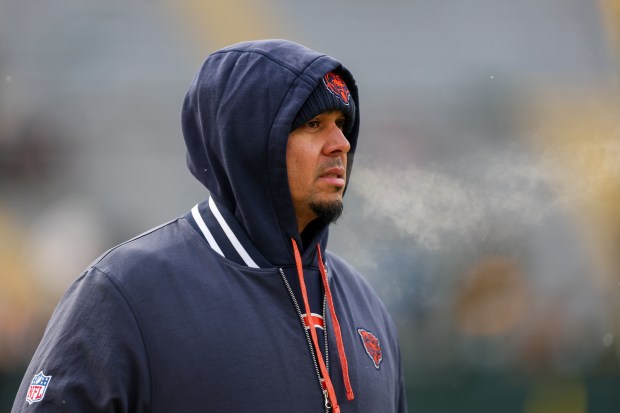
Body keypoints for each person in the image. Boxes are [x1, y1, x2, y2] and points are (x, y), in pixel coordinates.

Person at [12, 39, 407, 413]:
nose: (341, 143)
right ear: (249, 139)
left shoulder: (365, 305)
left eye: (342, 123)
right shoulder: (124, 291)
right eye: (314, 124)